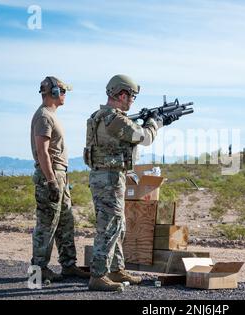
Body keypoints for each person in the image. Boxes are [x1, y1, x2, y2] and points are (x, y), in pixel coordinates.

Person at [84, 74, 177, 291]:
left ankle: (115, 269)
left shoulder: (99, 116)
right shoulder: (114, 118)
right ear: (122, 94)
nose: (132, 100)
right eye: (131, 96)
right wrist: (155, 123)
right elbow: (144, 137)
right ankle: (98, 275)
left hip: (107, 176)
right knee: (109, 226)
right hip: (109, 178)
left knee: (118, 225)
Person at [30, 76, 90, 282]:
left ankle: (69, 266)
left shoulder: (51, 116)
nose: (65, 95)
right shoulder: (44, 117)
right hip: (51, 176)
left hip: (59, 175)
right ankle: (37, 271)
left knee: (65, 222)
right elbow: (42, 152)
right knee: (47, 224)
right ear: (54, 92)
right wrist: (52, 181)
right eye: (63, 91)